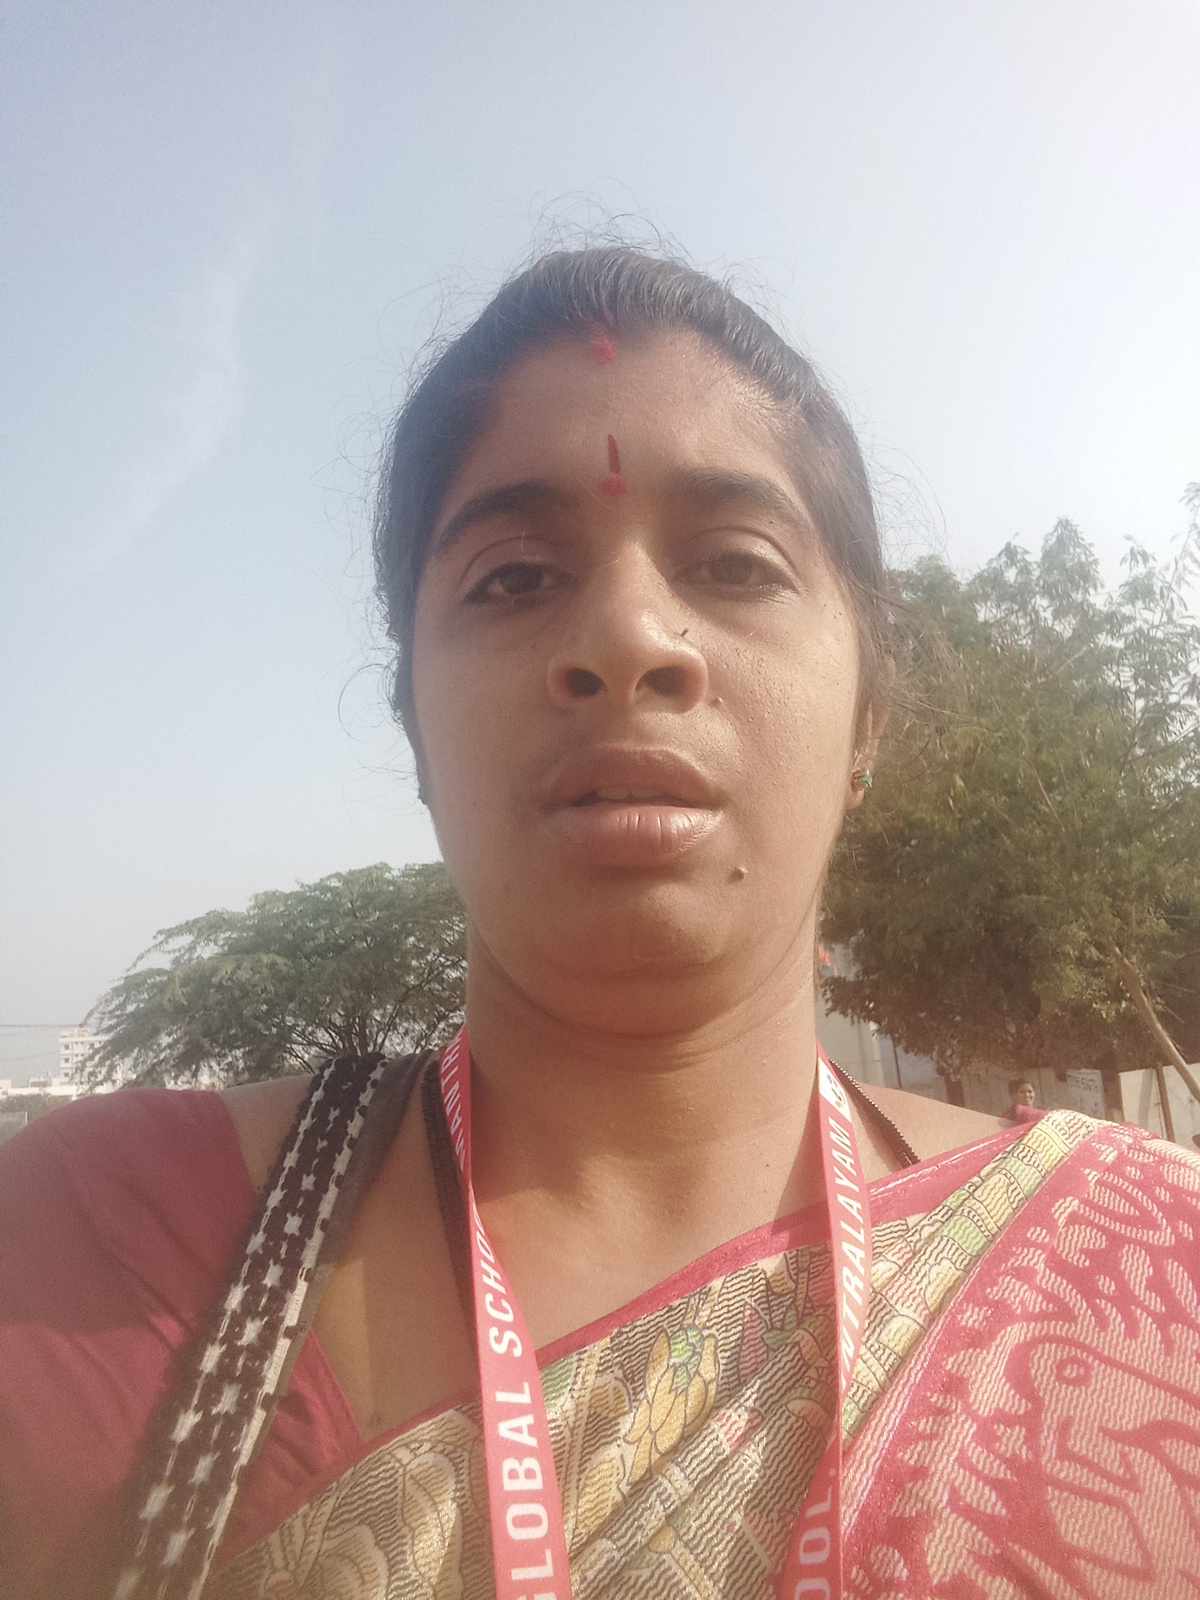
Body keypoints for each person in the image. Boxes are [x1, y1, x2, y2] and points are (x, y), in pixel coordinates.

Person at [4, 246, 1200, 1600]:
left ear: (868, 713)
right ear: (414, 723)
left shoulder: (1155, 1271)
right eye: (514, 579)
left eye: (735, 564)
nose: (628, 637)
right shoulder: (90, 1252)